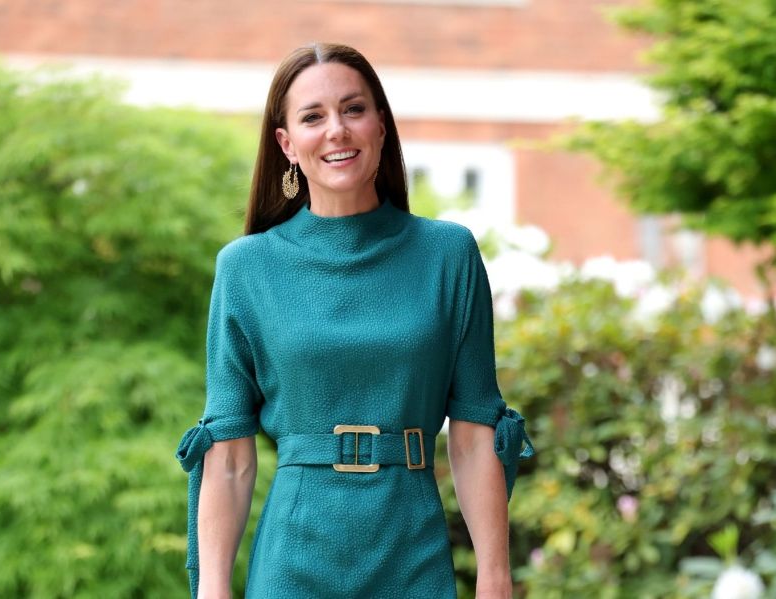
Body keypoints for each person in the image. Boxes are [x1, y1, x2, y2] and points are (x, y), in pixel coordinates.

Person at [175, 42, 535, 599]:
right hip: (292, 563)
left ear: (381, 125)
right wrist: (214, 589)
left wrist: (495, 577)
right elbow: (229, 456)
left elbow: (472, 433)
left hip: (413, 553)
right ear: (287, 144)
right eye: (313, 117)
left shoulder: (448, 255)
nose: (337, 130)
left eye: (353, 109)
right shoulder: (246, 268)